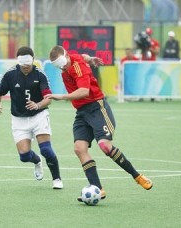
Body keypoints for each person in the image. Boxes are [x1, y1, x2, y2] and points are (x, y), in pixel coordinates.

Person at [47, 45, 153, 202]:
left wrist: (60, 97)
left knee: (104, 146)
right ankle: (97, 188)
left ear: (67, 56)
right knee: (79, 149)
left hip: (97, 107)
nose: (63, 67)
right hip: (82, 112)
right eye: (59, 66)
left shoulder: (77, 66)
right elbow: (82, 55)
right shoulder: (72, 62)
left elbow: (84, 91)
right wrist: (91, 58)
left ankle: (137, 176)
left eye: (63, 63)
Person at [0, 46, 63, 189]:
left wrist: (37, 105)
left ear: (33, 60)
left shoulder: (40, 74)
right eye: (22, 62)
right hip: (18, 119)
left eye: (28, 62)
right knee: (24, 156)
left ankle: (57, 179)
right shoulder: (10, 74)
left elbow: (48, 98)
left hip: (39, 115)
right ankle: (37, 161)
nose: (25, 66)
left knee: (46, 150)